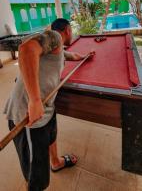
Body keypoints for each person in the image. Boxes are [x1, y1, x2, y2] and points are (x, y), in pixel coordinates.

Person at [4, 18, 94, 191]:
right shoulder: (55, 37)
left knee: (51, 136)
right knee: (36, 177)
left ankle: (56, 162)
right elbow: (26, 49)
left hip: (47, 110)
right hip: (29, 117)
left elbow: (71, 55)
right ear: (67, 30)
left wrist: (84, 56)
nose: (72, 34)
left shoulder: (57, 49)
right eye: (72, 30)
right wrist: (35, 100)